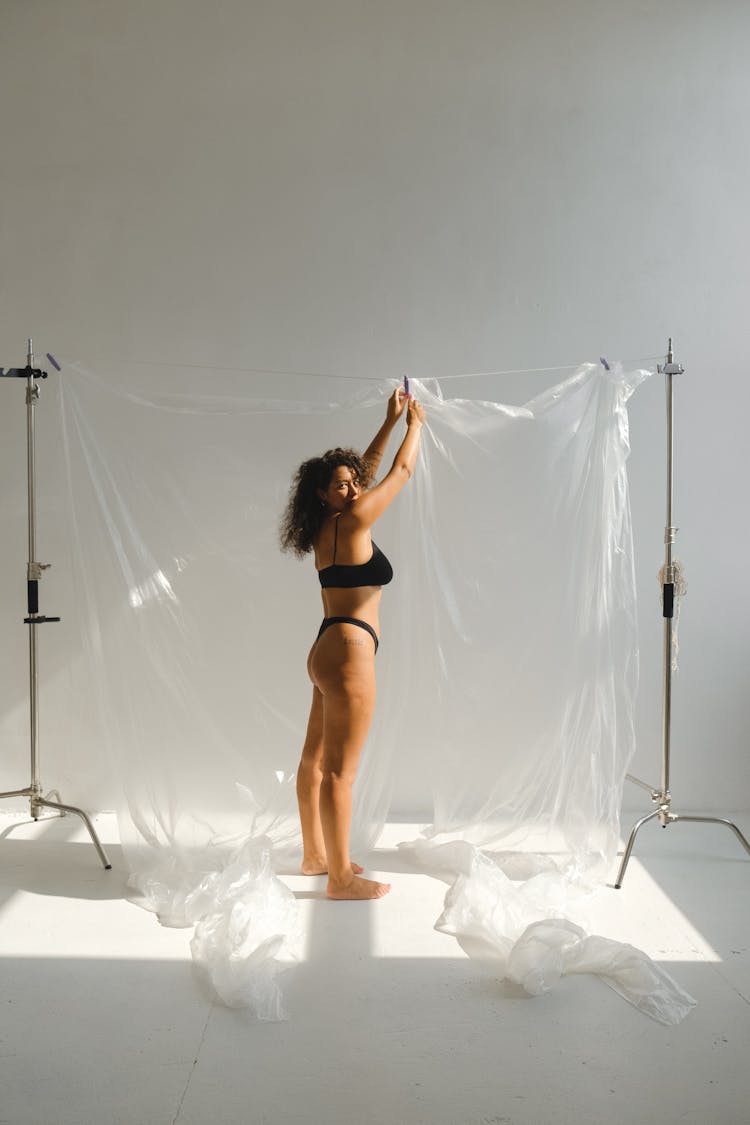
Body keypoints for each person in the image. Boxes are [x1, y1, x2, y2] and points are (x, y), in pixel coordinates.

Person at [280, 387, 425, 899]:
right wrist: (416, 427)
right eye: (339, 486)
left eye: (350, 485)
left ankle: (316, 856)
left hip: (326, 650)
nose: (351, 490)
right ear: (323, 494)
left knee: (313, 761)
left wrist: (386, 425)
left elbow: (365, 472)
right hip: (348, 655)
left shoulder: (327, 523)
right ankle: (340, 879)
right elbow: (399, 475)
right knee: (340, 772)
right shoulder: (356, 520)